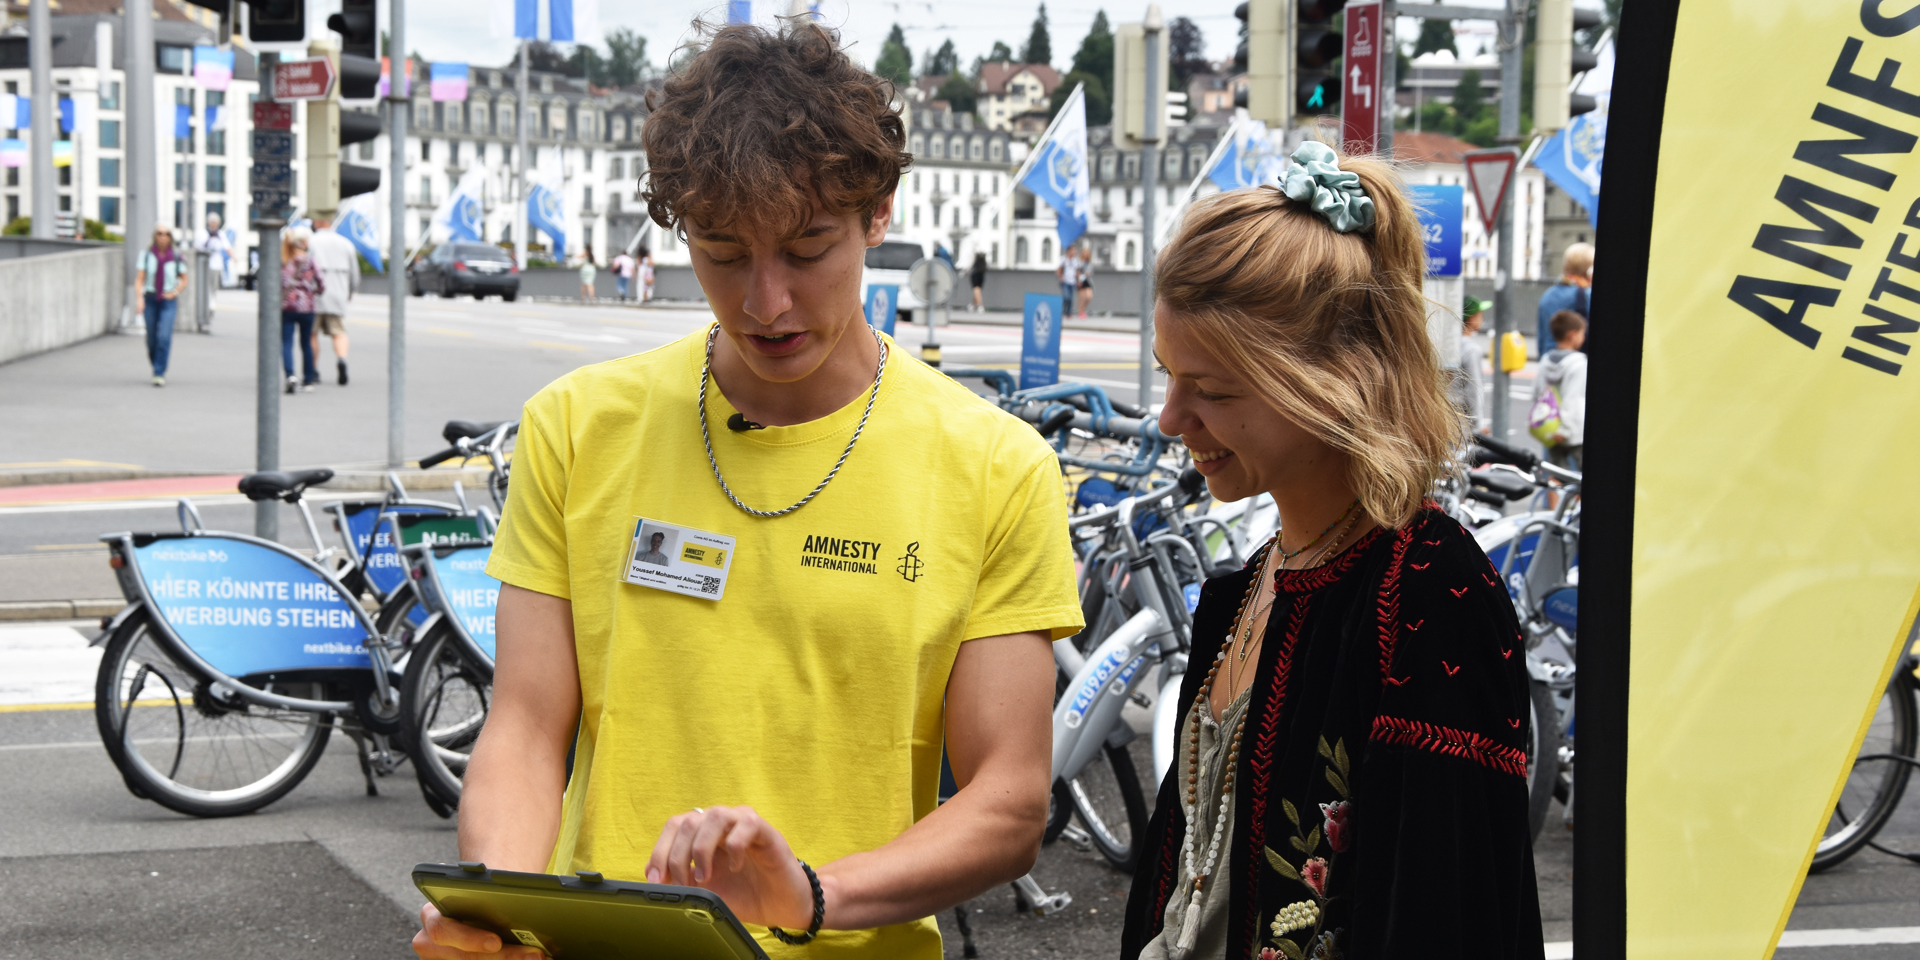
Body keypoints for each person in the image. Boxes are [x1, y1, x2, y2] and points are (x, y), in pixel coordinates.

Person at [410, 20, 1083, 960]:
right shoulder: (577, 427)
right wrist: (498, 910)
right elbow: (524, 727)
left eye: (807, 250)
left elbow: (1009, 803)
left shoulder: (994, 466)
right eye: (724, 253)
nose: (765, 301)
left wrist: (812, 893)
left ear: (876, 213)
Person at [1119, 141, 1543, 960]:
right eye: (1168, 375)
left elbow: (1445, 915)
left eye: (1212, 390)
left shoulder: (1427, 589)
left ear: (1332, 380)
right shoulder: (1262, 575)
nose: (1171, 419)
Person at [1530, 309, 1588, 472]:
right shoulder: (1579, 363)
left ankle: (1557, 499)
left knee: (1555, 475)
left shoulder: (1545, 360)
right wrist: (1566, 430)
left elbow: (1536, 394)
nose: (1584, 337)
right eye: (1582, 333)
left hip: (1550, 428)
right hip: (1574, 431)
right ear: (1572, 334)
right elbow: (1573, 398)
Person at [307, 215, 359, 386]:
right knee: (339, 332)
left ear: (318, 222)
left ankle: (313, 369)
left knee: (311, 334)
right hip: (338, 293)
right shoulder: (346, 243)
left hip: (314, 295)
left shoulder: (311, 241)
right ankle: (342, 358)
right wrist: (350, 291)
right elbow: (354, 273)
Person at [135, 226, 188, 387]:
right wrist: (139, 299)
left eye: (166, 234)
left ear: (171, 237)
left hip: (168, 300)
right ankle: (156, 362)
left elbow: (185, 279)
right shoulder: (146, 255)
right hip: (150, 298)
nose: (163, 237)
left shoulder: (177, 256)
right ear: (154, 236)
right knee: (152, 339)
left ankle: (159, 372)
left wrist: (175, 292)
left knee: (164, 337)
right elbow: (139, 279)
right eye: (159, 233)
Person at [280, 230, 324, 394]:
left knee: (286, 342)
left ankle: (290, 375)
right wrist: (314, 292)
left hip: (288, 306)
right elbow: (321, 282)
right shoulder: (310, 261)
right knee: (306, 343)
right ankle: (308, 380)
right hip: (307, 307)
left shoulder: (284, 260)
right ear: (303, 243)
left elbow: (277, 282)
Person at [1535, 241, 1593, 353]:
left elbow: (1542, 338)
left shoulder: (1548, 294)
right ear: (1588, 270)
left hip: (1549, 361)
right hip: (1575, 363)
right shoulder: (1586, 295)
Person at [1455, 296, 1491, 432]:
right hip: (1463, 419)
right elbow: (1474, 389)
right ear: (1472, 318)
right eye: (1479, 315)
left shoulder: (1448, 344)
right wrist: (1479, 424)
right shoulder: (1471, 350)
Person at [196, 212, 236, 288]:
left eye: (215, 223)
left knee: (214, 284)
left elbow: (227, 247)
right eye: (212, 222)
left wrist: (233, 257)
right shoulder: (203, 233)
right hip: (205, 263)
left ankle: (212, 298)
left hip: (216, 264)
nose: (214, 224)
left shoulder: (220, 234)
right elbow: (198, 247)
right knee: (205, 284)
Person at [1074, 242, 1093, 320]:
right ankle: (1080, 312)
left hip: (1087, 281)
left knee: (1088, 296)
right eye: (1084, 253)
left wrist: (1086, 274)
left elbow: (1089, 273)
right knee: (1081, 298)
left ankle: (1083, 309)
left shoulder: (1089, 264)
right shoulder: (1078, 262)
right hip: (1080, 281)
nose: (1086, 255)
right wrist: (1078, 280)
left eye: (1087, 253)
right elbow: (1077, 271)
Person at [1056, 245, 1077, 311]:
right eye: (1073, 251)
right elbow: (1059, 269)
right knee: (1066, 296)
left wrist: (1078, 280)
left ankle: (1068, 312)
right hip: (1065, 281)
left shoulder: (1075, 261)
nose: (1074, 252)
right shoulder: (1063, 259)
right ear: (1069, 251)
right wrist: (1061, 277)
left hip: (1072, 281)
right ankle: (1062, 308)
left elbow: (1077, 271)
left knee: (1070, 298)